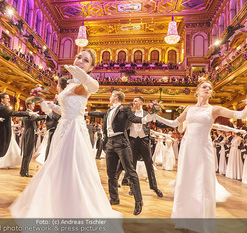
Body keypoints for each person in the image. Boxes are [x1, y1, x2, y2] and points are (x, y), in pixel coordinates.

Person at [10, 49, 122, 220]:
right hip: (63, 127)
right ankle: (56, 206)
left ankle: (74, 210)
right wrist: (44, 102)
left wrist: (84, 76)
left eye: (86, 60)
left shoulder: (85, 83)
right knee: (57, 167)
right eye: (79, 57)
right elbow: (63, 110)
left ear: (91, 67)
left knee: (73, 169)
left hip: (74, 130)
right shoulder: (69, 83)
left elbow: (95, 87)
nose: (80, 61)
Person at [154, 80, 247, 233]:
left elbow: (239, 114)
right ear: (197, 91)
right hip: (187, 148)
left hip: (203, 148)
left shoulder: (214, 109)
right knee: (186, 180)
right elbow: (173, 123)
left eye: (210, 88)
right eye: (205, 87)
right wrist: (156, 117)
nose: (208, 89)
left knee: (202, 181)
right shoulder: (189, 109)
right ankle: (184, 218)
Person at [88, 91, 153, 215]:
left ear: (116, 98)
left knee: (130, 172)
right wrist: (84, 112)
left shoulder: (125, 109)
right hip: (110, 143)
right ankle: (114, 198)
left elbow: (134, 118)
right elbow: (98, 114)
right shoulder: (108, 111)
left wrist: (145, 119)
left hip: (121, 142)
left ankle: (139, 201)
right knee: (111, 173)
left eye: (111, 96)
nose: (109, 97)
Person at [0, 92, 31, 181]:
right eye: (7, 98)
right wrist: (28, 113)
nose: (9, 100)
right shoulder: (3, 108)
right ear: (2, 99)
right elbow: (14, 113)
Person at [128, 96, 163, 197]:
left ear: (141, 102)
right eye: (133, 100)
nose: (134, 102)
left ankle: (154, 187)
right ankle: (132, 187)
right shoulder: (130, 113)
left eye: (136, 100)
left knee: (149, 164)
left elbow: (158, 123)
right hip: (132, 140)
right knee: (132, 165)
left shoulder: (148, 114)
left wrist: (173, 124)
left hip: (144, 140)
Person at [19, 100, 46, 177]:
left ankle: (23, 171)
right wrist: (46, 116)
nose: (34, 105)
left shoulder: (29, 113)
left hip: (29, 133)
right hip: (28, 133)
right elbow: (35, 118)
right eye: (33, 104)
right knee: (27, 153)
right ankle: (24, 172)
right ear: (29, 105)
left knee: (28, 154)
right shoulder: (28, 113)